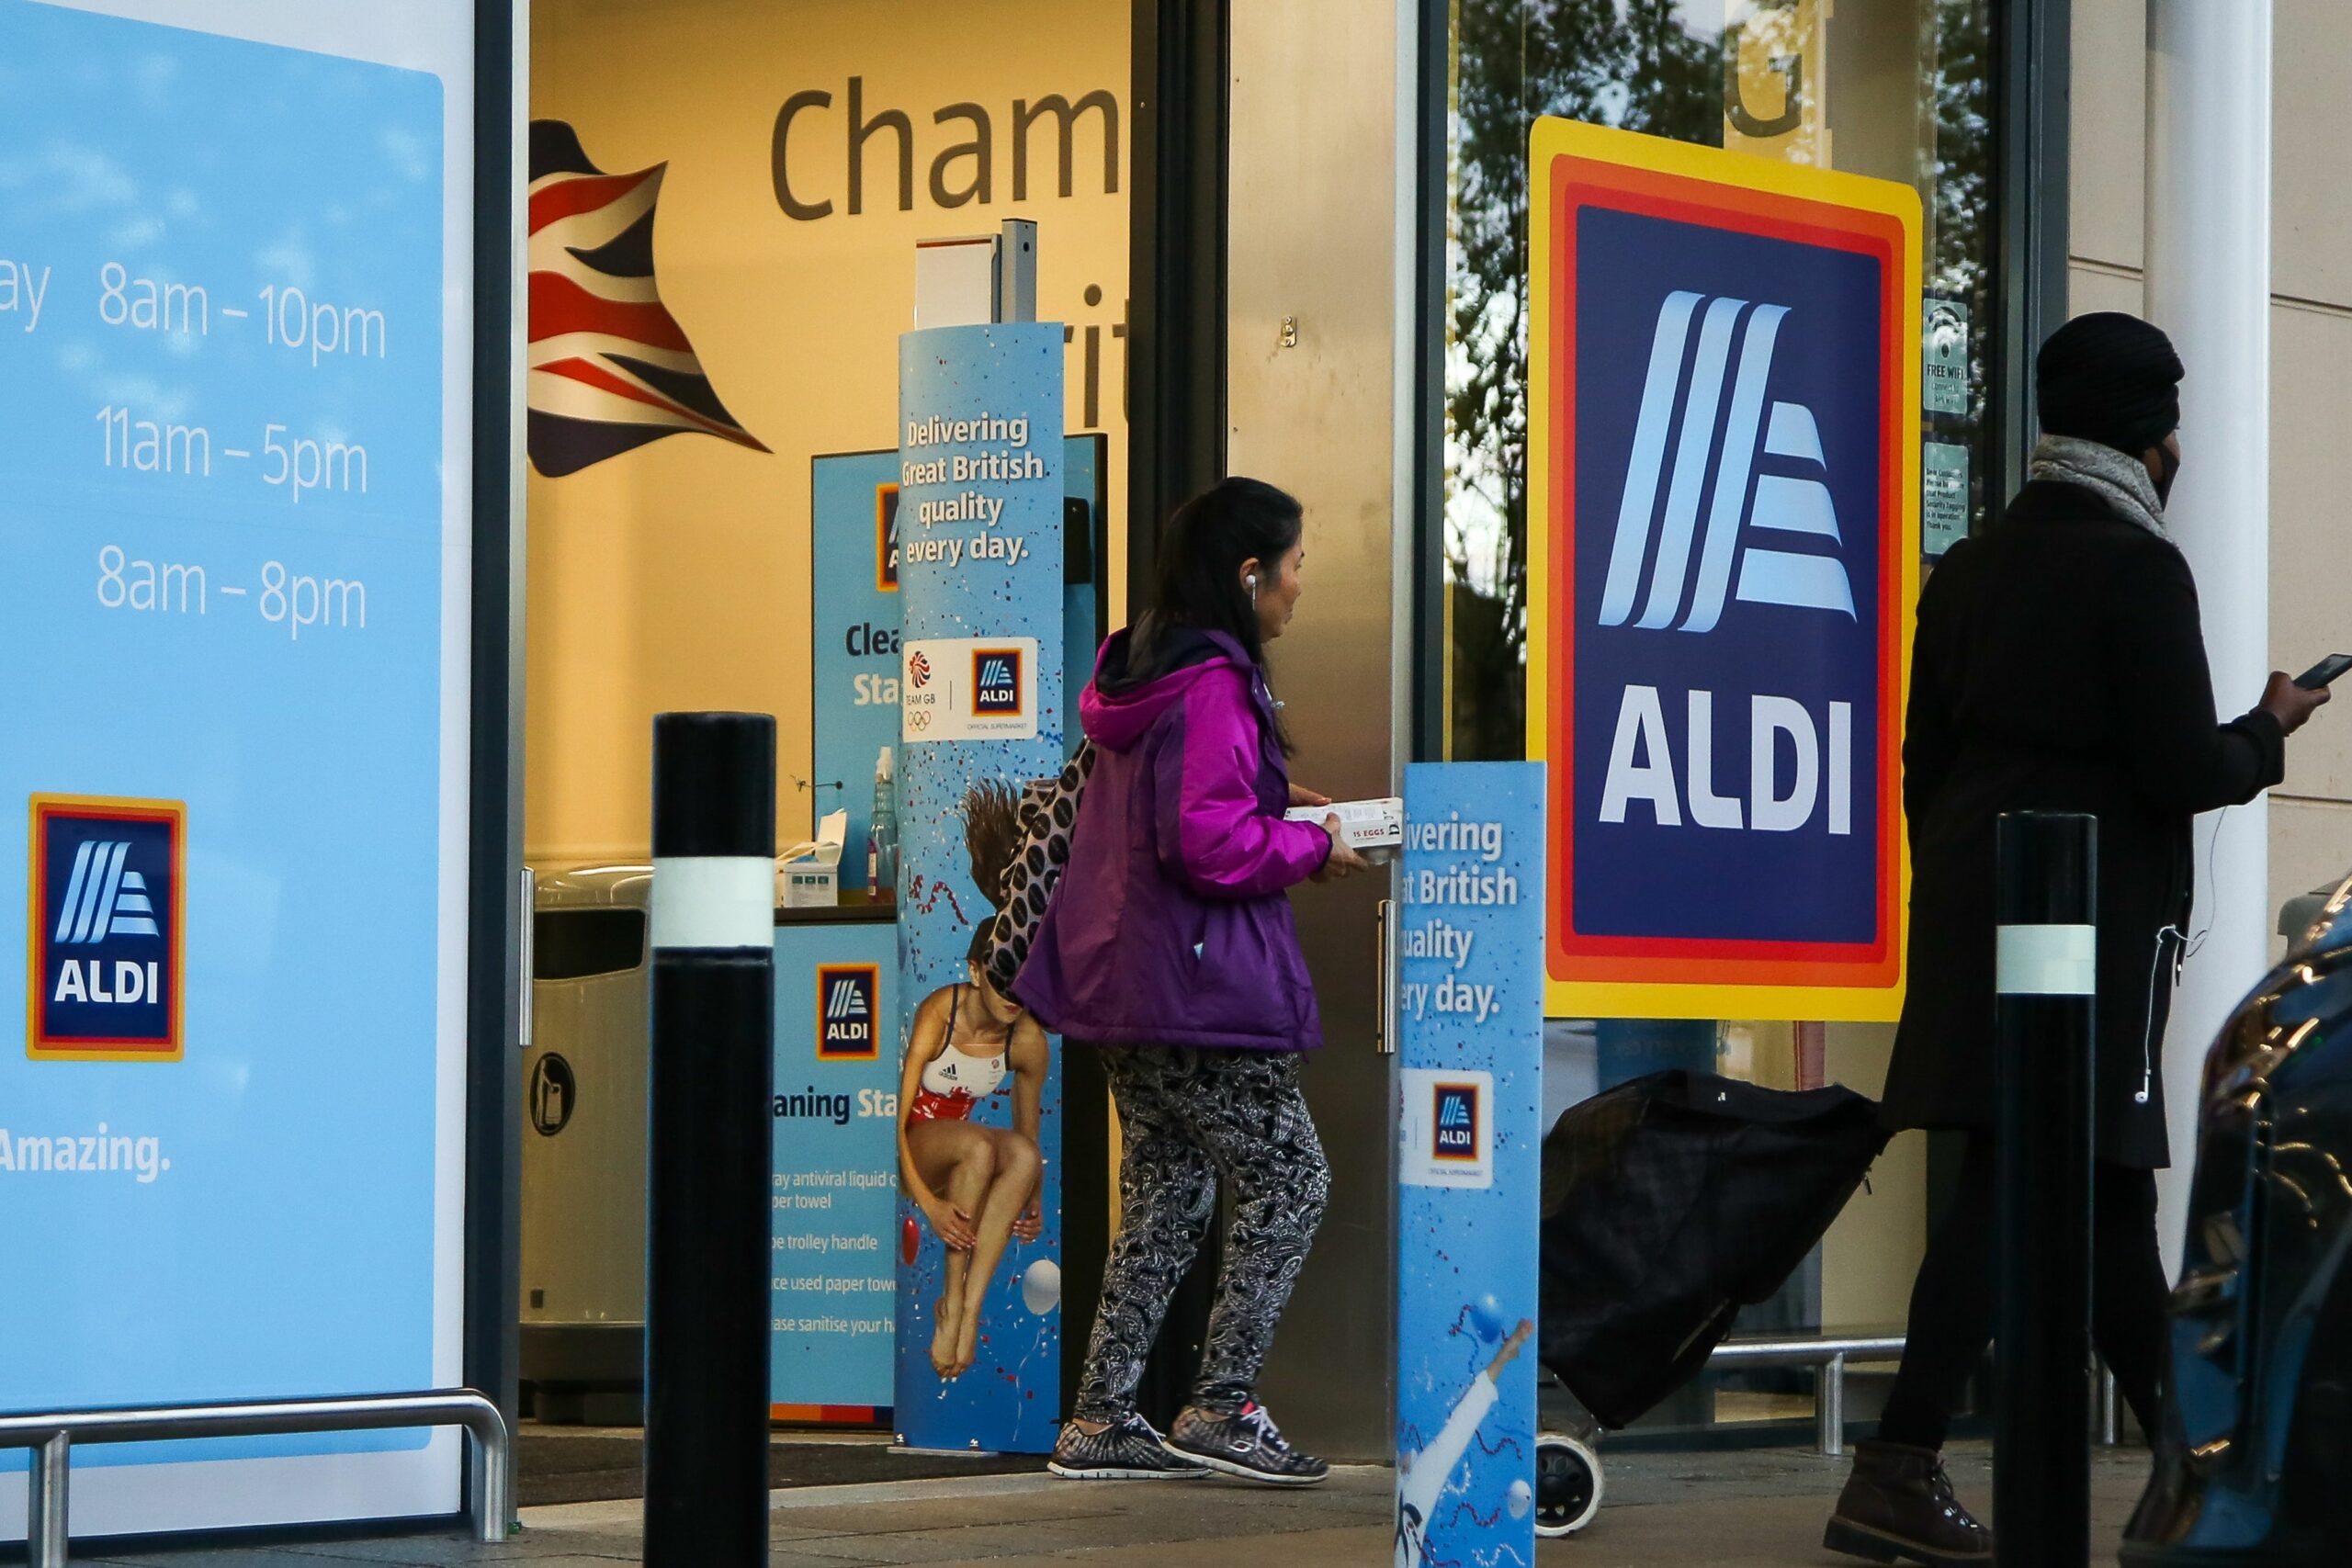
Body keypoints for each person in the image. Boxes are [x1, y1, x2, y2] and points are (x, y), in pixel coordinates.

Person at [1826, 312, 2331, 1566]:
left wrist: (1961, 882)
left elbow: (1919, 762)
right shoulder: (2136, 566)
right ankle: (1897, 1458)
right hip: (2080, 928)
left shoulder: (1974, 561)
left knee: (2104, 1196)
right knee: (2025, 1178)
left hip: (1972, 899)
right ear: (2156, 434)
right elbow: (2179, 762)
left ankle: (2199, 1471)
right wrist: (2268, 728)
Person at [1013, 476, 1368, 1484]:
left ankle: (1099, 1422)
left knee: (1166, 1200)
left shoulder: (1142, 667)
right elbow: (1206, 847)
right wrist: (1306, 844)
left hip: (1129, 986)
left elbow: (1171, 804)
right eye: (1293, 566)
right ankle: (1220, 1407)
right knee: (1293, 1181)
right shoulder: (1212, 681)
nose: (1300, 587)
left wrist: (1267, 794)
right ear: (1249, 573)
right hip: (1196, 992)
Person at [897, 783, 1052, 1380]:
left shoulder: (1027, 1037)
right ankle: (950, 1295)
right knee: (978, 1143)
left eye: (1024, 986)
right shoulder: (943, 1011)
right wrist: (930, 1204)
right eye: (1001, 983)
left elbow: (1028, 1133)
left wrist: (1033, 1196)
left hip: (967, 1149)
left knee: (1012, 1152)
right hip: (919, 1146)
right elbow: (900, 1117)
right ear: (974, 969)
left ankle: (968, 1304)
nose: (1014, 999)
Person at [1395, 1319, 1532, 1567]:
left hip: (1412, 1504)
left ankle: (1501, 1359)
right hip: (1411, 1506)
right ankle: (1502, 1359)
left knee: (1453, 1438)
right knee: (1452, 1438)